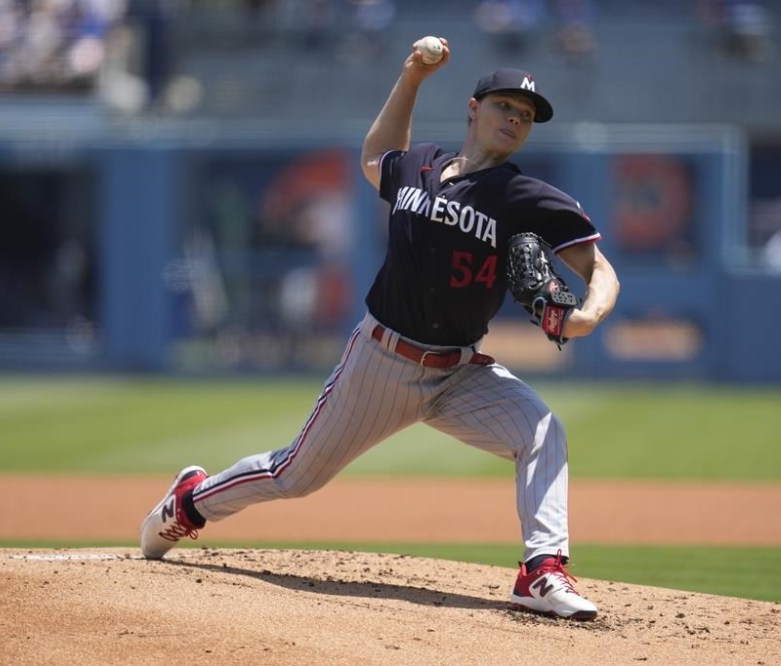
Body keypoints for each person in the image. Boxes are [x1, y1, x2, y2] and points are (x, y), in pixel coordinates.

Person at [140, 36, 620, 621]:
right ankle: (191, 502)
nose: (515, 119)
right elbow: (374, 159)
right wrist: (412, 77)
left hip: (460, 371)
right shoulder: (420, 165)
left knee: (543, 431)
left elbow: (599, 268)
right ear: (474, 109)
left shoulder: (526, 196)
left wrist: (590, 313)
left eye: (524, 116)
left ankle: (540, 571)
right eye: (503, 107)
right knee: (295, 476)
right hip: (381, 361)